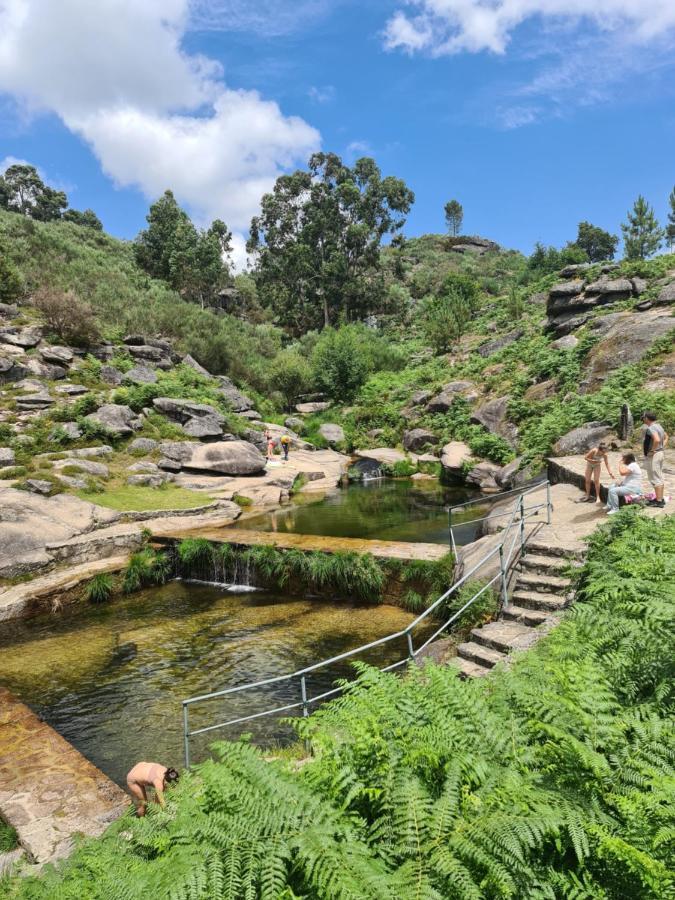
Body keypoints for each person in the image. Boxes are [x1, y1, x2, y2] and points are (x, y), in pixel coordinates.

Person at [642, 411, 669, 508]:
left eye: (643, 417)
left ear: (646, 418)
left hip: (655, 455)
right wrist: (661, 447)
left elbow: (657, 440)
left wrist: (653, 450)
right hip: (660, 453)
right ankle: (660, 499)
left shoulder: (651, 427)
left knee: (655, 478)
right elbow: (666, 437)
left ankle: (659, 501)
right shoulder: (659, 426)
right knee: (659, 477)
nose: (643, 419)